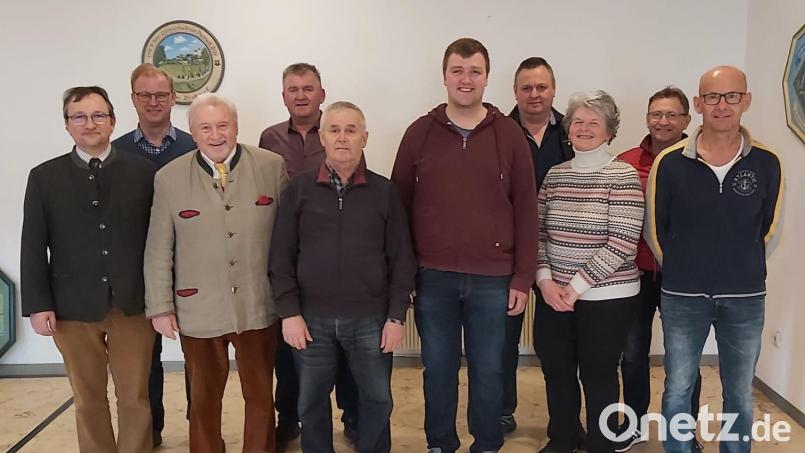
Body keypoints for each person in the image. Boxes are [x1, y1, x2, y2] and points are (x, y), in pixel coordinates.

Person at [391, 38, 538, 453]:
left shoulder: (509, 135)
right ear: (444, 76)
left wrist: (523, 277)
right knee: (437, 370)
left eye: (474, 71)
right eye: (458, 70)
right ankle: (441, 444)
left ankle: (487, 444)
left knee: (489, 370)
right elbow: (398, 212)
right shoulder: (419, 133)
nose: (466, 79)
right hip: (432, 278)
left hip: (494, 279)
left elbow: (527, 210)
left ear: (487, 77)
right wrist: (405, 278)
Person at [645, 66, 783, 453]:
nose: (722, 105)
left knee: (739, 391)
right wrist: (686, 267)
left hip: (745, 297)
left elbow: (770, 229)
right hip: (682, 296)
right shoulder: (670, 162)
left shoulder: (767, 163)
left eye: (731, 96)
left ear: (747, 100)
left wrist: (740, 266)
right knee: (677, 386)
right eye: (713, 97)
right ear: (699, 103)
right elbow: (656, 229)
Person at [144, 93, 288, 453]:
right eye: (205, 128)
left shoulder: (271, 166)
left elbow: (289, 240)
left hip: (259, 303)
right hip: (198, 308)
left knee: (259, 395)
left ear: (236, 127)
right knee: (204, 400)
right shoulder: (169, 178)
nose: (215, 135)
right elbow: (159, 247)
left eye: (222, 125)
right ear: (192, 133)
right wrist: (160, 307)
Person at [270, 101, 416, 453]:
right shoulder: (299, 191)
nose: (342, 138)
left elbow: (402, 261)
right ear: (322, 137)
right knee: (311, 404)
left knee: (378, 399)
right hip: (311, 320)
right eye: (334, 130)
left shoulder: (385, 192)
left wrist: (396, 317)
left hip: (370, 319)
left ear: (364, 137)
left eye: (351, 130)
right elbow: (280, 257)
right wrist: (289, 313)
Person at [21, 86, 156, 452]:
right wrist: (37, 304)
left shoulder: (144, 173)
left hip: (133, 304)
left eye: (98, 115)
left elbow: (158, 242)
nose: (89, 123)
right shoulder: (44, 177)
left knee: (135, 398)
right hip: (71, 307)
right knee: (88, 399)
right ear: (67, 125)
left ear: (112, 121)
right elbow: (33, 245)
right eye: (79, 116)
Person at [534, 90, 644, 453]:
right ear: (568, 129)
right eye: (577, 121)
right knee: (557, 372)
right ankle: (563, 438)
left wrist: (576, 287)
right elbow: (538, 232)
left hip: (606, 298)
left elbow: (623, 242)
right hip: (554, 296)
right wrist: (546, 282)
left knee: (598, 376)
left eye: (593, 122)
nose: (583, 128)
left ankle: (602, 443)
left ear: (610, 130)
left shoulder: (622, 175)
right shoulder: (555, 174)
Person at [258, 63, 360, 448]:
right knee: (290, 351)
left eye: (308, 88)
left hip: (334, 254)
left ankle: (351, 416)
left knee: (346, 349)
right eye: (292, 89)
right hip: (289, 254)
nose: (300, 95)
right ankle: (290, 419)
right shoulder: (268, 138)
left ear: (322, 93)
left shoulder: (336, 130)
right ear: (283, 95)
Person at [112, 62, 196, 447]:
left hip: (195, 269)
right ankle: (152, 431)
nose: (153, 102)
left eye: (161, 94)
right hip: (140, 274)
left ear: (173, 98)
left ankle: (202, 428)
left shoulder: (194, 147)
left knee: (200, 361)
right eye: (144, 95)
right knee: (146, 362)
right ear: (132, 99)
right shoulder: (116, 153)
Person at [616, 86, 703, 453]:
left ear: (686, 119)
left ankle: (684, 431)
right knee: (633, 354)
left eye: (671, 115)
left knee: (683, 360)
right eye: (656, 114)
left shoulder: (700, 160)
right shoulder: (625, 160)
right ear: (647, 117)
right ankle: (633, 424)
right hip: (634, 275)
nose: (662, 121)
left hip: (682, 277)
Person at [502, 56, 574, 435]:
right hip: (508, 251)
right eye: (526, 87)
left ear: (553, 89)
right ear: (515, 92)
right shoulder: (497, 130)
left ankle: (562, 420)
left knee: (557, 345)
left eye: (541, 87)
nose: (534, 94)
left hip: (559, 253)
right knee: (503, 340)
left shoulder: (571, 131)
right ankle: (502, 409)